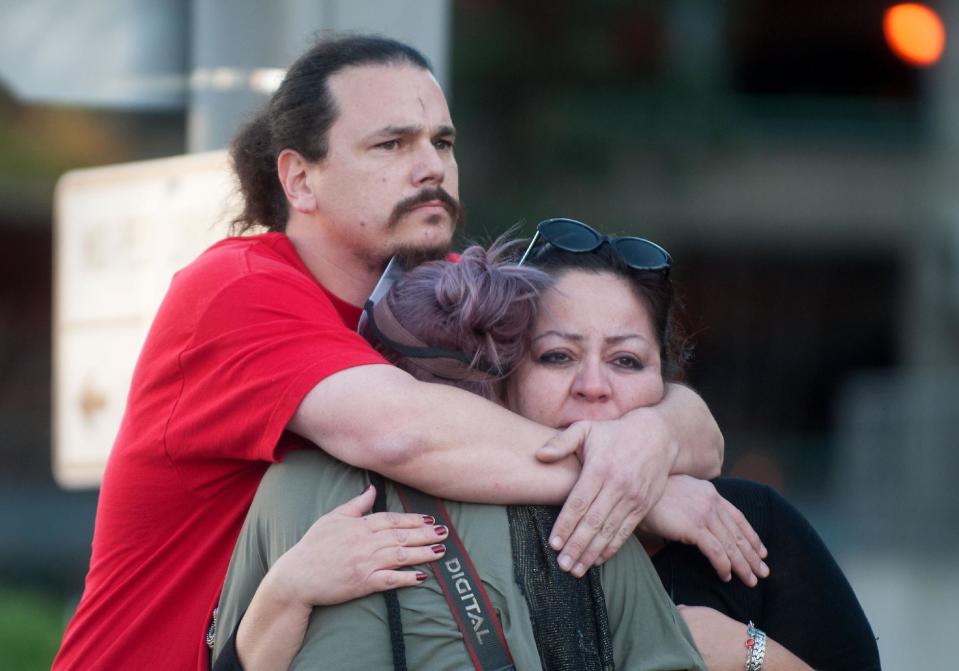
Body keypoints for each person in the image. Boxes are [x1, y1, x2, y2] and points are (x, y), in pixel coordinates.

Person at [52, 35, 726, 671]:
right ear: (300, 180)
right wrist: (625, 484)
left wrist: (646, 443)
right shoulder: (235, 288)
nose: (431, 165)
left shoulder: (450, 295)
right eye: (390, 144)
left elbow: (687, 420)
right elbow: (402, 433)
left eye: (442, 141)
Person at [215, 221, 879, 671]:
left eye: (626, 362)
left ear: (662, 379)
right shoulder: (380, 501)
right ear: (501, 373)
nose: (594, 388)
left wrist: (740, 652)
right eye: (557, 356)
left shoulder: (741, 525)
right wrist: (289, 590)